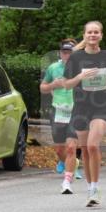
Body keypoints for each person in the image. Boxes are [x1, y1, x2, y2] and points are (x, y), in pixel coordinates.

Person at [62, 21, 106, 206]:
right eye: (90, 32)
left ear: (101, 35)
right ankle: (91, 189)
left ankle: (96, 188)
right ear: (84, 35)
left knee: (92, 146)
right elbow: (66, 84)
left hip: (102, 106)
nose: (93, 35)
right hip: (81, 107)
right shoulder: (75, 58)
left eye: (96, 32)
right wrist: (80, 77)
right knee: (86, 150)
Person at [41, 39, 82, 194]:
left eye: (70, 52)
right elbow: (43, 88)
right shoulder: (53, 68)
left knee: (71, 147)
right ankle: (73, 164)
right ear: (60, 53)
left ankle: (67, 181)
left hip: (76, 111)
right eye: (64, 52)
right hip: (58, 111)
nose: (67, 55)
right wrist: (52, 85)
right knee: (59, 150)